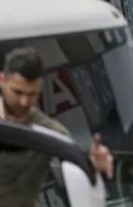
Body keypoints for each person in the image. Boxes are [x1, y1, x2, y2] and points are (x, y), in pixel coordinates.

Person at [0, 48, 114, 205]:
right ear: (2, 81)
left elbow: (72, 174)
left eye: (32, 94)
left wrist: (92, 166)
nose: (24, 102)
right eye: (17, 92)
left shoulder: (51, 134)